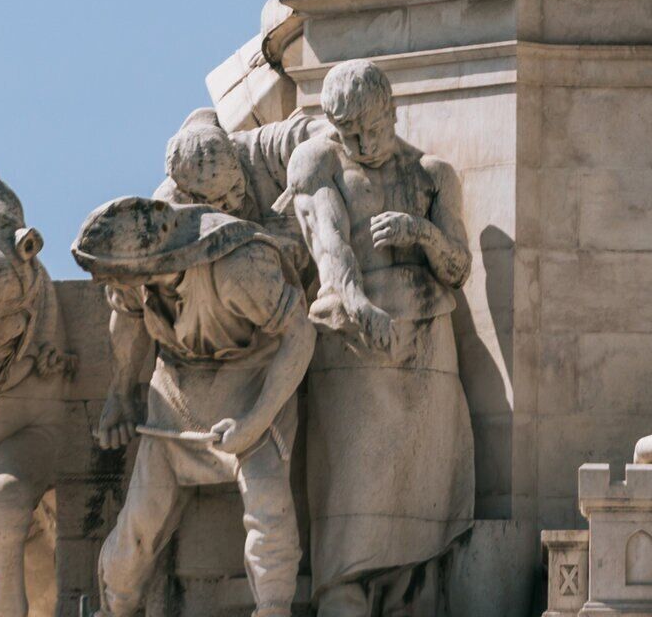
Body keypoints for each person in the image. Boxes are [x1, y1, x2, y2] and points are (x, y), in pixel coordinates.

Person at [75, 128, 315, 617]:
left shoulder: (239, 264)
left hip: (252, 380)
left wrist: (256, 419)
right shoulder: (134, 265)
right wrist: (120, 395)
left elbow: (300, 334)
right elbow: (128, 324)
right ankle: (113, 611)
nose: (110, 287)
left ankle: (273, 611)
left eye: (111, 277)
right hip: (178, 388)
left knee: (267, 505)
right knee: (138, 526)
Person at [284, 60, 476, 617]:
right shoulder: (319, 161)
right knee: (348, 505)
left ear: (393, 111)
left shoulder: (432, 174)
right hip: (351, 349)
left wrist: (421, 233)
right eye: (348, 131)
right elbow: (329, 242)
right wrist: (357, 302)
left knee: (420, 507)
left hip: (427, 349)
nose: (361, 142)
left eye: (371, 127)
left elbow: (459, 267)